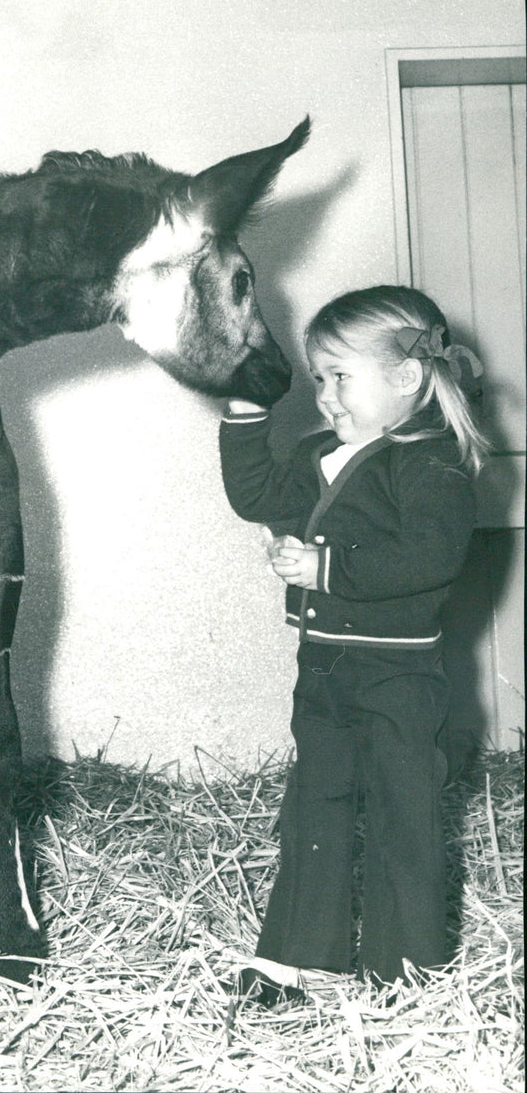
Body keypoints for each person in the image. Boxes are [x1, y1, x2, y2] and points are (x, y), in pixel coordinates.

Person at [219, 285, 487, 1004]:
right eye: (318, 378)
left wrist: (324, 568)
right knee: (315, 805)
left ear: (406, 378)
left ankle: (406, 970)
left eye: (341, 377)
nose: (326, 396)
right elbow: (256, 495)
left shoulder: (430, 461)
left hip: (398, 675)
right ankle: (303, 957)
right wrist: (244, 414)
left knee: (405, 813)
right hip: (326, 667)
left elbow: (430, 557)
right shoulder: (322, 454)